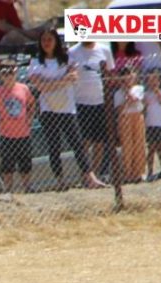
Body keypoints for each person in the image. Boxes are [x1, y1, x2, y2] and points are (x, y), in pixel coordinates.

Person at [28, 29, 108, 190]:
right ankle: (60, 181)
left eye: (50, 39)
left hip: (67, 108)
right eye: (43, 40)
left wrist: (50, 84)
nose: (47, 43)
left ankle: (90, 177)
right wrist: (62, 81)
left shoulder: (67, 59)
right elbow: (40, 86)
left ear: (56, 41)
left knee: (77, 144)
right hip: (48, 109)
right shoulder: (36, 62)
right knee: (54, 145)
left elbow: (73, 77)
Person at [0, 62, 36, 195]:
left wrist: (30, 118)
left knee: (25, 162)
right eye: (5, 73)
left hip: (23, 133)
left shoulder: (23, 88)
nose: (9, 76)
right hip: (6, 134)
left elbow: (31, 104)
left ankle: (27, 187)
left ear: (16, 73)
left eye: (11, 72)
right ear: (0, 75)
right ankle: (8, 190)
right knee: (8, 164)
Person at [68, 40, 113, 179]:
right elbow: (70, 72)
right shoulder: (72, 52)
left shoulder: (104, 50)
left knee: (99, 141)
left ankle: (96, 174)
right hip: (81, 102)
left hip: (100, 101)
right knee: (84, 142)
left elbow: (110, 72)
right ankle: (86, 176)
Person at [112, 65, 146, 184]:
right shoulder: (117, 93)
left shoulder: (139, 88)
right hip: (124, 118)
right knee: (127, 145)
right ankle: (128, 173)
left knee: (139, 143)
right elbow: (119, 109)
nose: (127, 77)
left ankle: (139, 172)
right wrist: (125, 92)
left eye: (129, 74)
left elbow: (135, 100)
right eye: (124, 75)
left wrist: (127, 92)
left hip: (137, 116)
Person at [143, 68, 161, 182]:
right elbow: (144, 109)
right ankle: (150, 172)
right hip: (150, 124)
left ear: (160, 80)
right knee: (151, 148)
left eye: (155, 78)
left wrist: (157, 92)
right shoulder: (146, 94)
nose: (153, 81)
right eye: (150, 79)